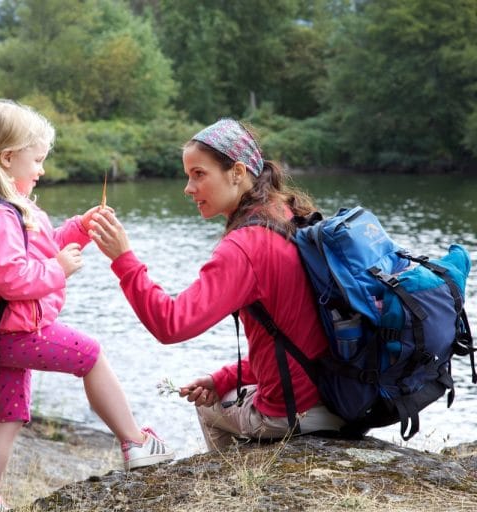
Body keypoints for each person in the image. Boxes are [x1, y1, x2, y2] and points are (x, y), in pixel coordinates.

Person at [0, 99, 174, 512]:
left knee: (7, 416)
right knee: (91, 355)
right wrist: (58, 270)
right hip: (18, 332)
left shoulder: (7, 210)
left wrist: (80, 228)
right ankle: (135, 442)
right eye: (36, 160)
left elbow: (39, 250)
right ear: (8, 158)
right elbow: (11, 276)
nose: (41, 169)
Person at [88, 118, 345, 452]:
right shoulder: (287, 215)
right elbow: (295, 340)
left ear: (237, 173)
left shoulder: (246, 245)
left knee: (209, 407)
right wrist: (223, 378)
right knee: (220, 393)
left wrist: (124, 259)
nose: (188, 187)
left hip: (294, 411)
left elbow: (171, 324)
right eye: (188, 176)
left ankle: (234, 490)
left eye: (199, 174)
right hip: (336, 395)